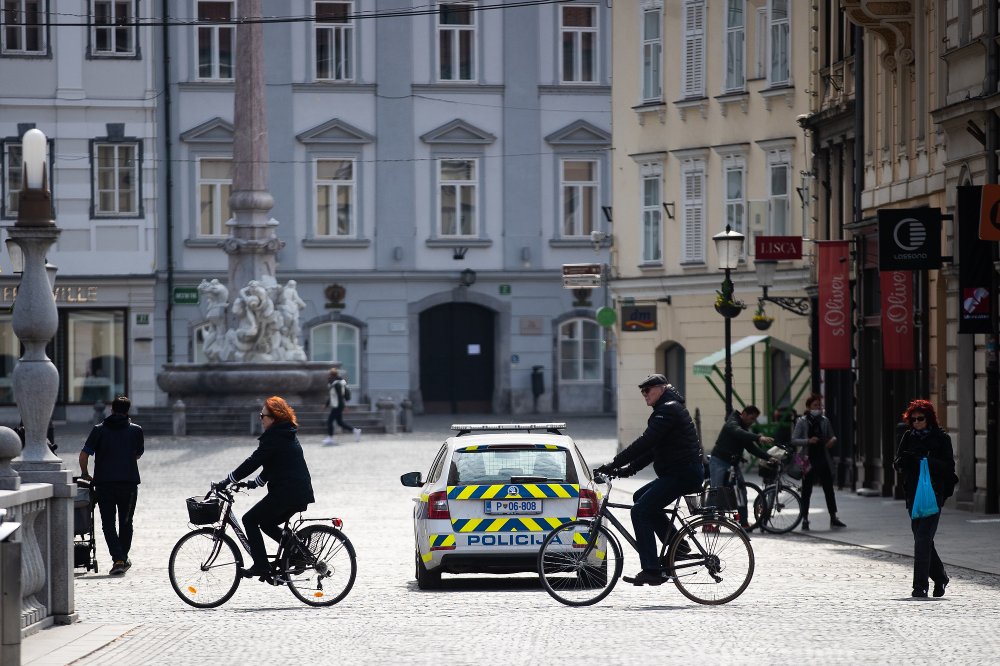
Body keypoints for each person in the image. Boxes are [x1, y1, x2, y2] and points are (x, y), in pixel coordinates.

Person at [595, 374, 704, 586]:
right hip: (679, 472)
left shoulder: (668, 410)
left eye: (648, 390)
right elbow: (654, 450)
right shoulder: (667, 410)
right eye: (642, 392)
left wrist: (614, 463)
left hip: (683, 473)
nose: (644, 395)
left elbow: (645, 443)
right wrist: (627, 470)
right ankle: (677, 547)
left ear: (662, 388)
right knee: (639, 497)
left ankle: (651, 569)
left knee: (640, 511)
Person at [217, 396, 315, 580]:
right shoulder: (285, 433)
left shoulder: (275, 436)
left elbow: (254, 461)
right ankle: (297, 552)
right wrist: (256, 482)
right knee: (267, 523)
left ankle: (262, 565)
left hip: (288, 493)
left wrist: (228, 480)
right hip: (296, 492)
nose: (261, 418)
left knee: (250, 519)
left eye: (263, 415)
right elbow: (274, 463)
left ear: (274, 417)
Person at [892, 399, 958, 598]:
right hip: (913, 494)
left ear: (929, 419)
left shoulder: (941, 438)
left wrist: (926, 461)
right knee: (923, 540)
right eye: (913, 420)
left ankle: (920, 586)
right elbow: (897, 462)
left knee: (922, 538)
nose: (917, 423)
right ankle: (940, 577)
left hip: (933, 494)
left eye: (920, 419)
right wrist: (904, 462)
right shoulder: (907, 436)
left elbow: (948, 467)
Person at [78, 395, 144, 576]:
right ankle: (121, 557)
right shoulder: (136, 431)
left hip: (104, 484)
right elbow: (137, 454)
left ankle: (119, 559)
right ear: (127, 411)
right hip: (129, 484)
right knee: (126, 522)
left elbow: (84, 456)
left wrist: (85, 474)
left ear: (112, 410)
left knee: (108, 524)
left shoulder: (99, 430)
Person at [708, 405, 775, 530]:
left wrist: (768, 457)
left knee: (741, 490)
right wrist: (759, 437)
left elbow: (751, 448)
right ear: (743, 414)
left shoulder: (743, 427)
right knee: (716, 491)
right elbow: (738, 432)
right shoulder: (732, 422)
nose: (752, 421)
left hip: (733, 463)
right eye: (751, 418)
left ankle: (743, 522)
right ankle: (708, 523)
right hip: (719, 461)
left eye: (754, 419)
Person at [791, 393, 846, 530]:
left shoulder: (824, 420)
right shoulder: (802, 421)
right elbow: (794, 440)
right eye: (815, 405)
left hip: (823, 458)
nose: (818, 407)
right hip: (807, 459)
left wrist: (832, 440)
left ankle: (833, 517)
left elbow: (832, 436)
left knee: (829, 489)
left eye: (819, 405)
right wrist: (808, 441)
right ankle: (804, 518)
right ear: (809, 407)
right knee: (806, 490)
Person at [324, 368, 361, 445]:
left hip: (338, 406)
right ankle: (355, 431)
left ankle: (330, 438)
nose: (329, 376)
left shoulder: (337, 384)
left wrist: (344, 406)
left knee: (329, 421)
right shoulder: (334, 383)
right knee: (340, 422)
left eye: (330, 375)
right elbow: (332, 396)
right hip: (337, 405)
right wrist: (326, 405)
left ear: (332, 375)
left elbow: (340, 396)